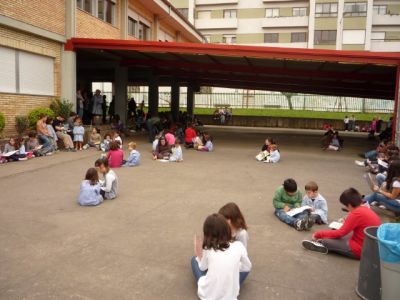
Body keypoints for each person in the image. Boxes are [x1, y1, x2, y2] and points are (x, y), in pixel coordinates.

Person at [302, 188, 381, 259]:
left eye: (345, 206)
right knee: (337, 234)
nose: (346, 208)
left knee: (327, 240)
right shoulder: (364, 208)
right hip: (370, 246)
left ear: (349, 205)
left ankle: (321, 244)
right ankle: (326, 243)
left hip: (361, 250)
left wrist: (318, 234)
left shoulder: (356, 213)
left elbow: (340, 233)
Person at [190, 213, 252, 300]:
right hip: (230, 295)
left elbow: (202, 267)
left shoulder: (208, 248)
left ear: (207, 233)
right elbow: (247, 267)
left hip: (209, 295)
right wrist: (233, 266)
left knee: (194, 260)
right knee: (242, 270)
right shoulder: (239, 245)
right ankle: (228, 286)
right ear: (227, 229)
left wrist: (199, 256)